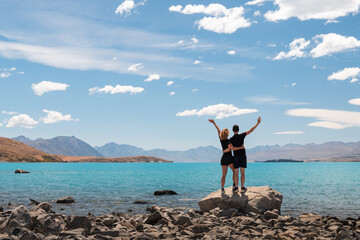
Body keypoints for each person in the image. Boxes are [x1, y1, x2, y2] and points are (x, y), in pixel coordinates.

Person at [208, 119, 243, 193]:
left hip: (223, 158)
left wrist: (214, 123)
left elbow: (218, 130)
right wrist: (240, 147)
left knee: (223, 175)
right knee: (234, 171)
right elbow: (232, 148)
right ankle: (234, 185)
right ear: (227, 134)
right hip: (229, 159)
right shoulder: (228, 141)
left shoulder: (221, 139)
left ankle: (222, 189)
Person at [229, 117, 261, 192]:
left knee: (236, 173)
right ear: (238, 130)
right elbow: (251, 130)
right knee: (242, 173)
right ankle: (242, 187)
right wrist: (257, 123)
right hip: (242, 156)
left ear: (233, 130)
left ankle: (236, 188)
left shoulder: (231, 139)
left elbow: (232, 148)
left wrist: (238, 148)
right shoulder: (242, 135)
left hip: (236, 157)